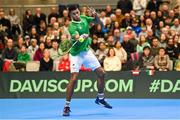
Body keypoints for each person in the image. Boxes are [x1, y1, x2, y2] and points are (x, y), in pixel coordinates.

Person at [62, 5, 112, 116]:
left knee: (102, 73)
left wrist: (95, 15)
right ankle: (66, 106)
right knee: (74, 79)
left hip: (86, 52)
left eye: (77, 12)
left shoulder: (84, 18)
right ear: (70, 15)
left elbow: (98, 22)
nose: (77, 15)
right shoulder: (71, 26)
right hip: (76, 55)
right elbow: (76, 38)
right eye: (74, 14)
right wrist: (80, 37)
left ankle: (100, 98)